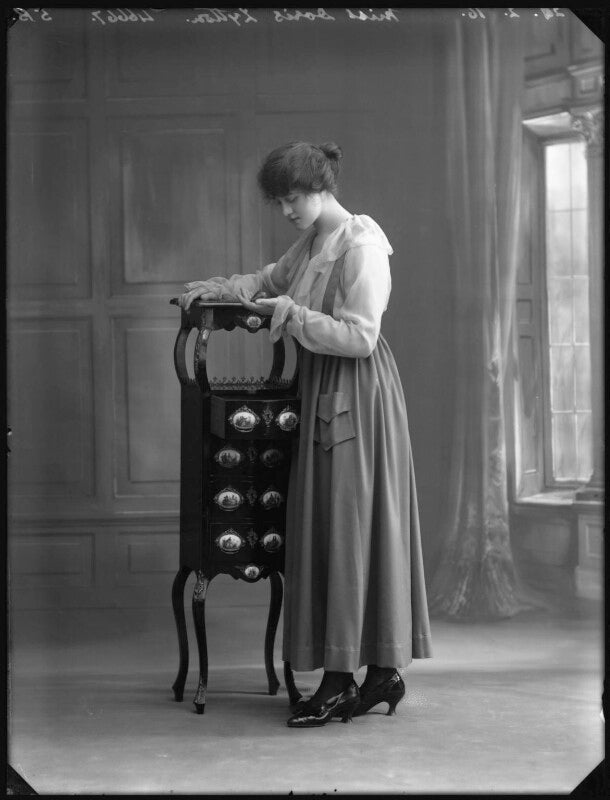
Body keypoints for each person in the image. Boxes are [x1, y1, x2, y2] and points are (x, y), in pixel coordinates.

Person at [179, 141, 432, 728]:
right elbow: (268, 280)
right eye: (280, 202)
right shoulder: (315, 242)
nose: (287, 210)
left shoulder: (361, 244)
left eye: (293, 198)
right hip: (322, 388)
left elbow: (360, 337)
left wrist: (290, 314)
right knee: (335, 529)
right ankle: (378, 676)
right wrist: (219, 288)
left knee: (347, 530)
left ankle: (343, 682)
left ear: (321, 188)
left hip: (356, 394)